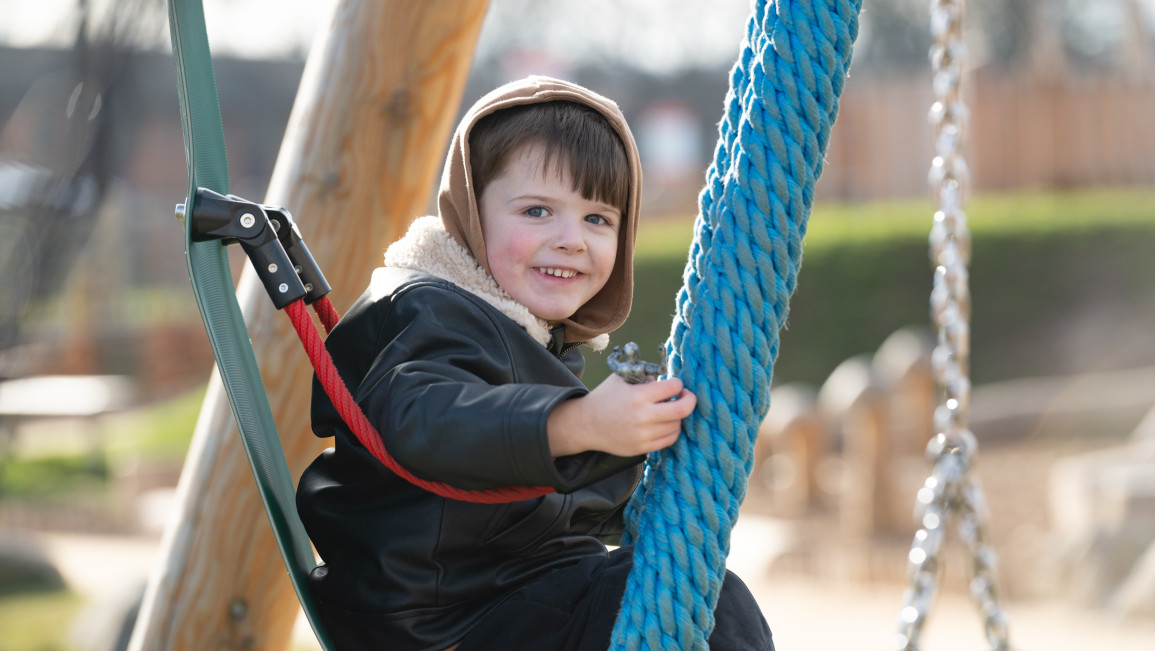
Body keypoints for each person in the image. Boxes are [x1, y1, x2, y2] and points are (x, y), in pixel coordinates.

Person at [296, 76, 773, 651]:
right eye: (538, 210)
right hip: (444, 618)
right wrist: (579, 424)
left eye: (599, 219)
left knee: (682, 586)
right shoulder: (428, 313)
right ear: (472, 212)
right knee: (702, 601)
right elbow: (426, 419)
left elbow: (537, 499)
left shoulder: (525, 337)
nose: (572, 239)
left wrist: (635, 458)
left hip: (506, 598)